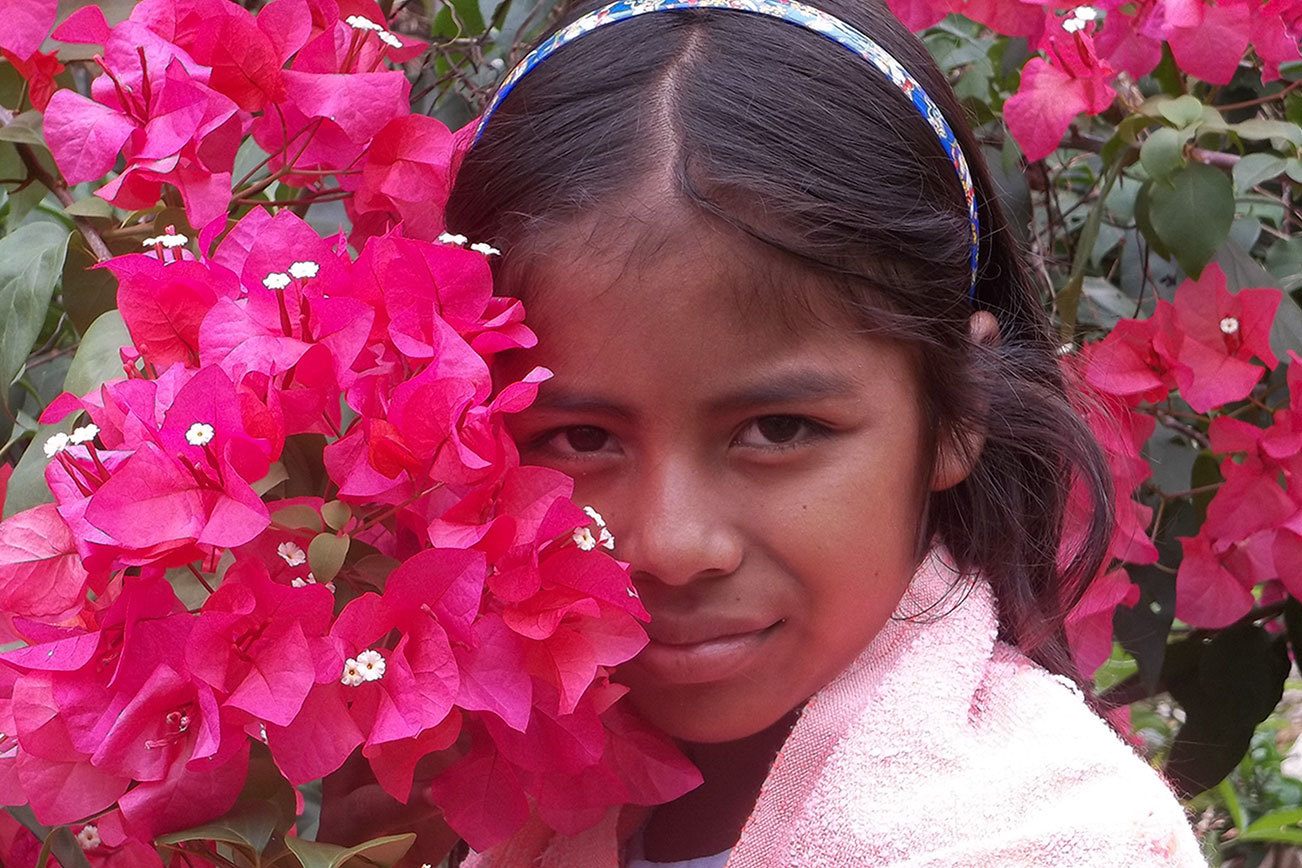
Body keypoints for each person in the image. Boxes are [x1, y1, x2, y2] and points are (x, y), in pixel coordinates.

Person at [443, 0, 1207, 864]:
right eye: (580, 438)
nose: (672, 544)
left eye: (777, 428)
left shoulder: (1048, 834)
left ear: (958, 410)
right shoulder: (479, 801)